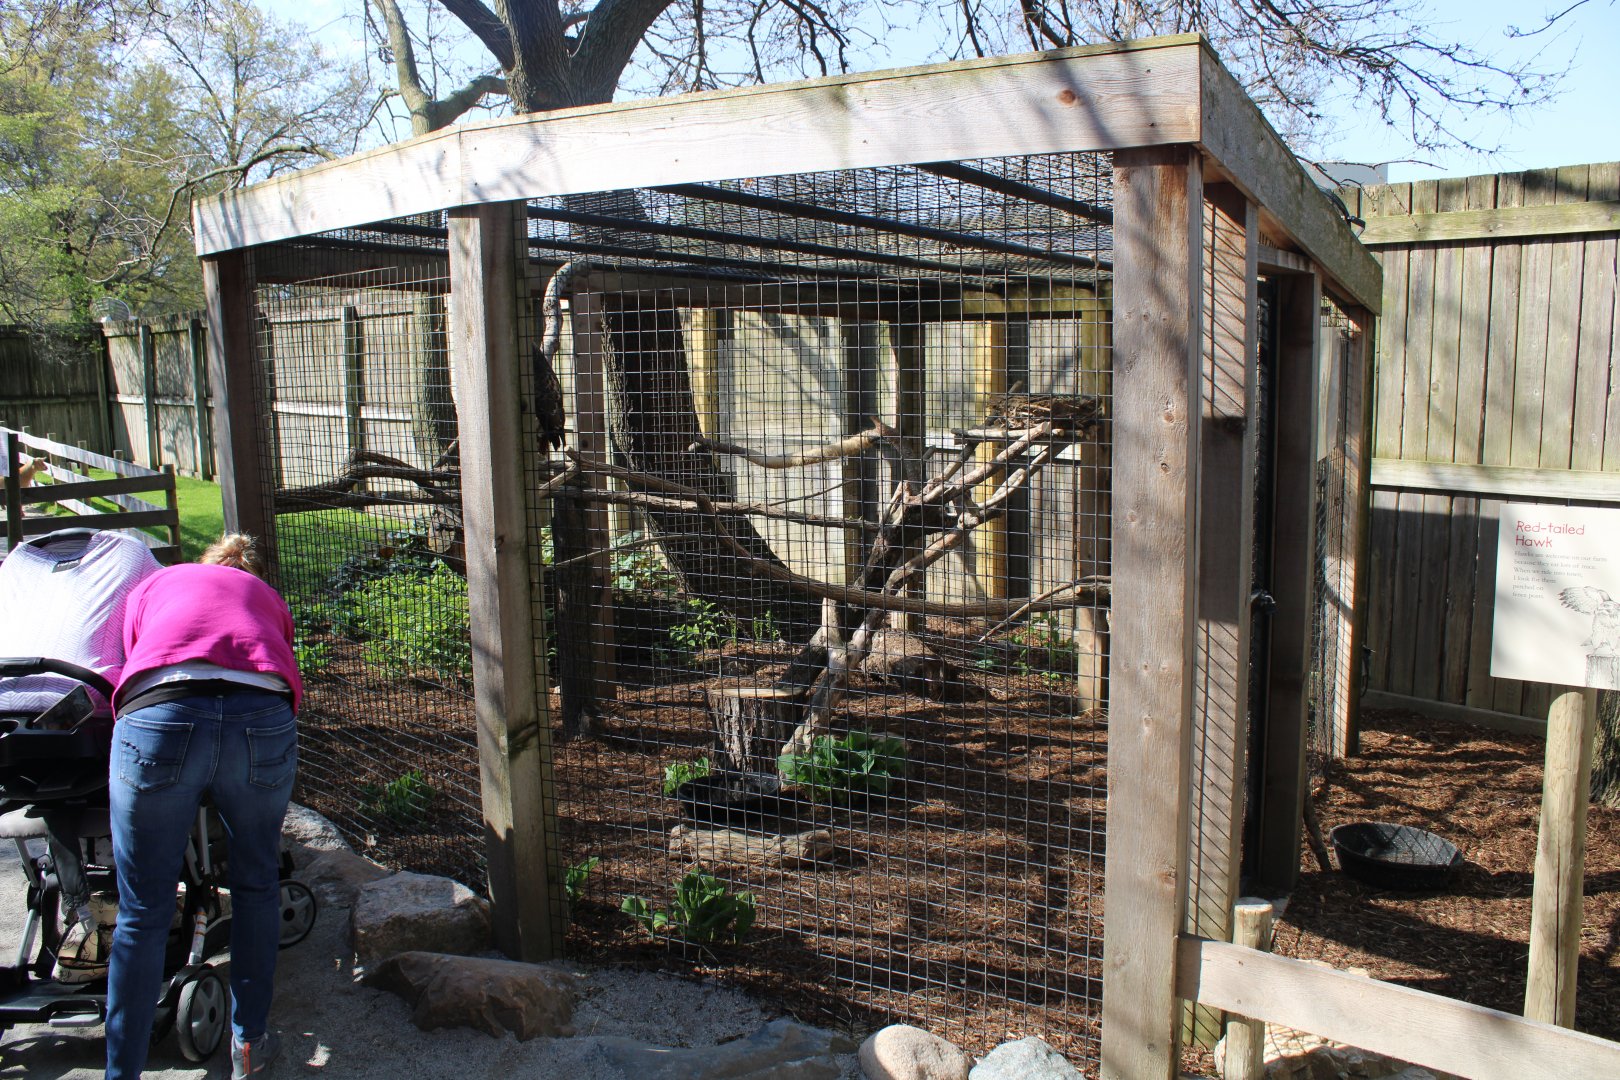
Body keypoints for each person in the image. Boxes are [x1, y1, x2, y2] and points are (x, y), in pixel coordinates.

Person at [105, 533, 301, 1079]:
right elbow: (282, 659)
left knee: (142, 910)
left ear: (204, 561)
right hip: (259, 714)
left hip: (161, 711)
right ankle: (249, 1049)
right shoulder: (265, 596)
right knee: (257, 883)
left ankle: (123, 1072)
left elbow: (134, 653)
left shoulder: (158, 582)